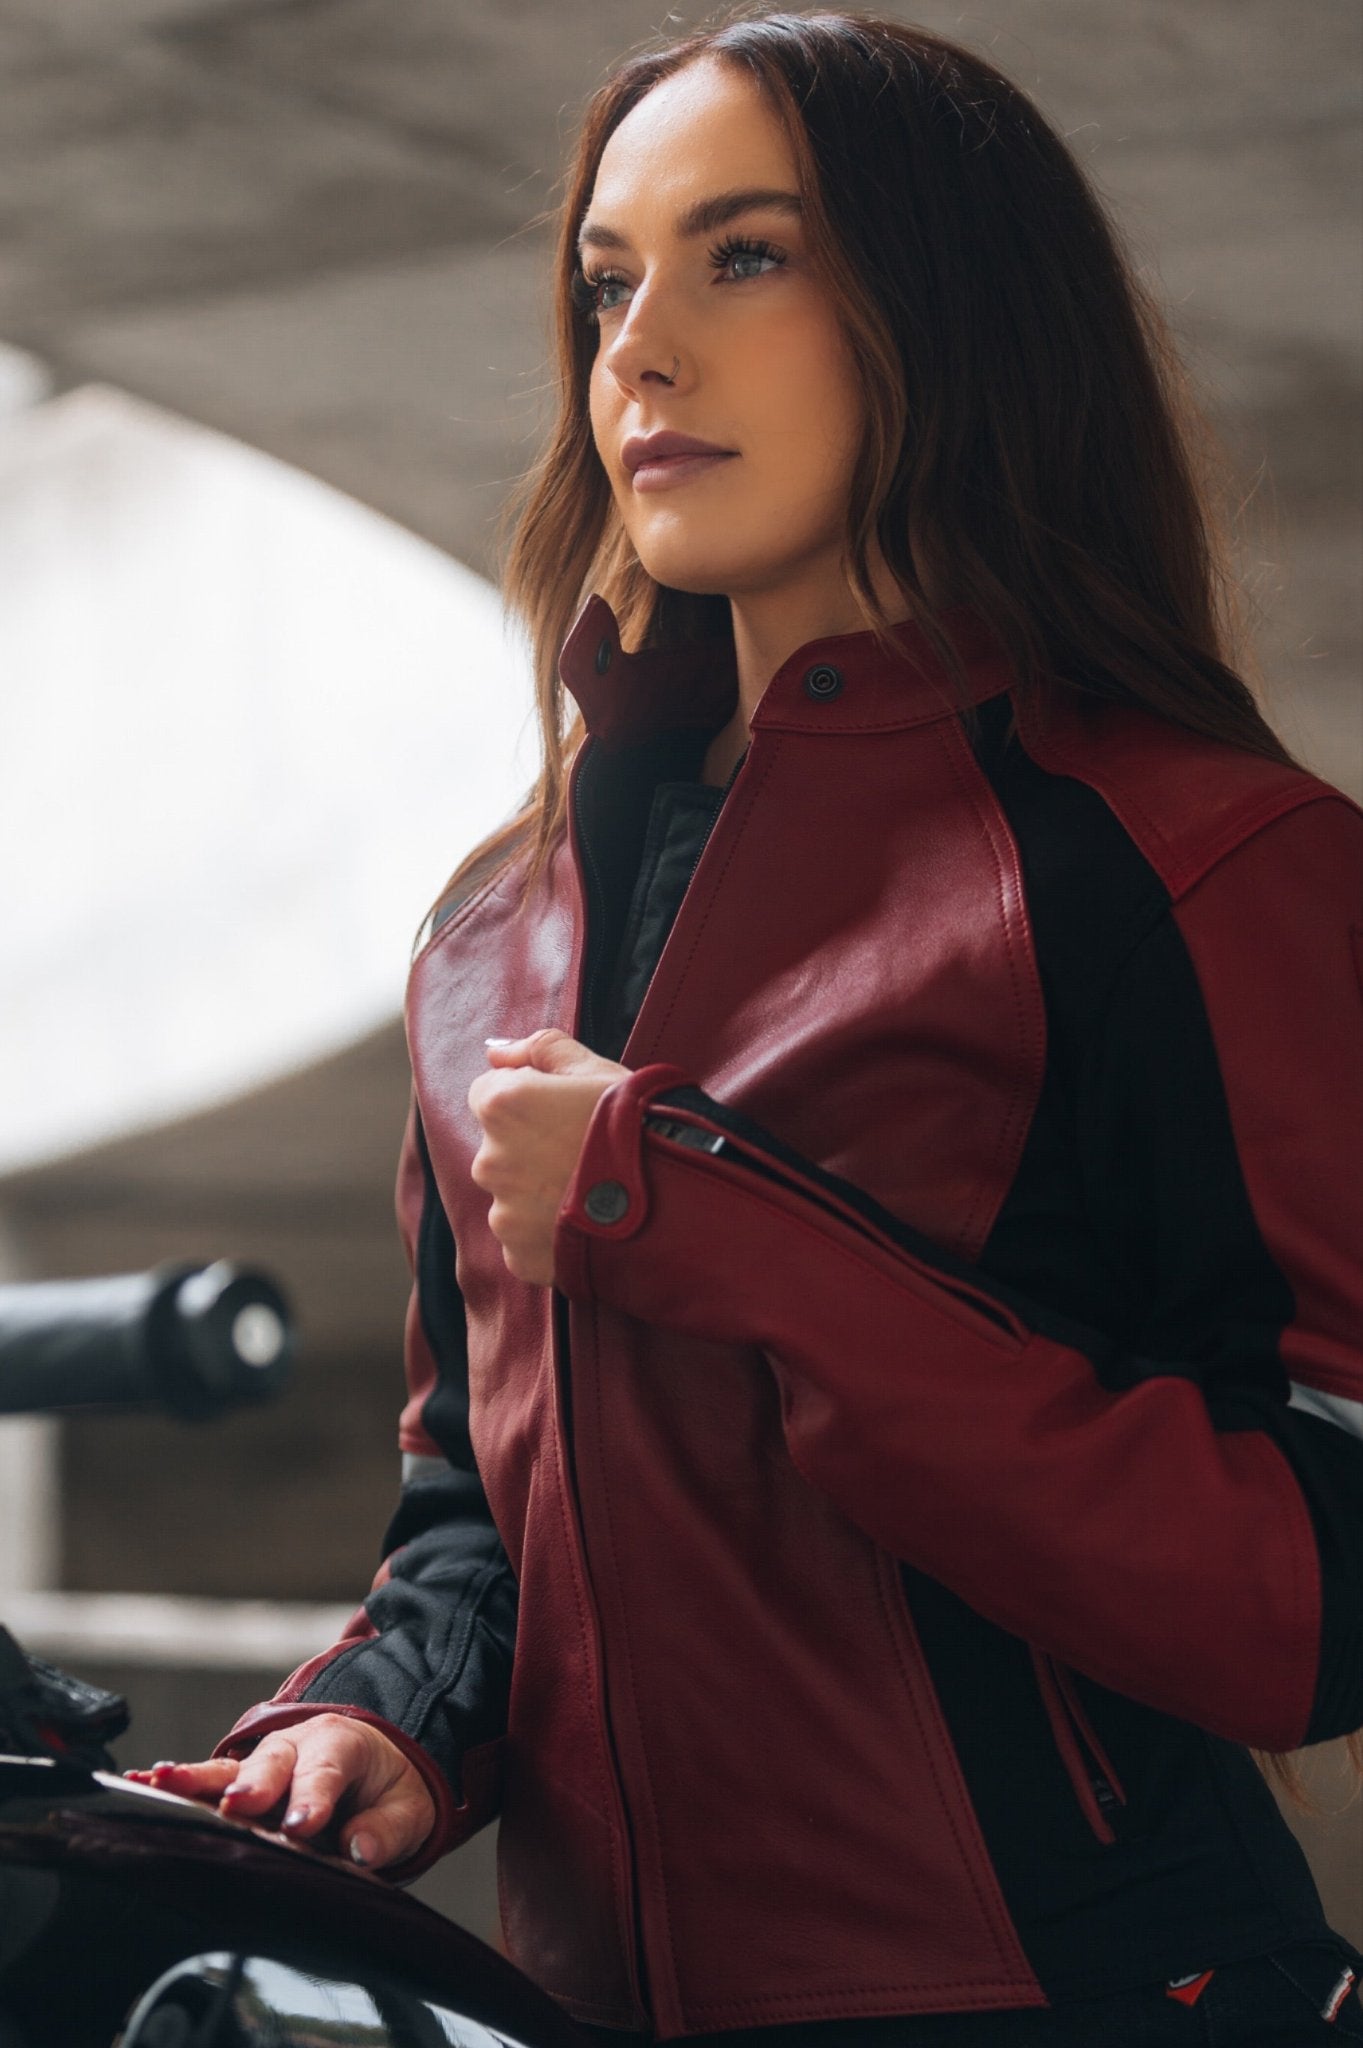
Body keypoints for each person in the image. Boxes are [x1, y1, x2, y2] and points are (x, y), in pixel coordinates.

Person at [136, 11, 1363, 2043]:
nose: (640, 343)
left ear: (951, 310)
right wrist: (397, 1716)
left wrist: (713, 1220)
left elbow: (1314, 1597)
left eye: (749, 254)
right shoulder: (492, 934)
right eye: (609, 278)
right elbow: (480, 1508)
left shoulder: (1203, 860)